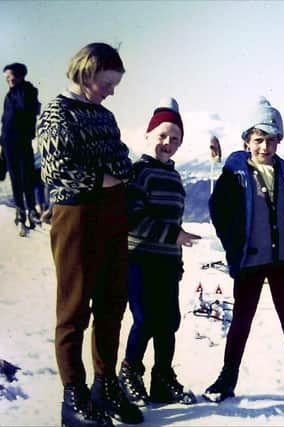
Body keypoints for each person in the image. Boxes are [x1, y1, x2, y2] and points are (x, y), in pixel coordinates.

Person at [36, 42, 142, 427]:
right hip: (76, 216)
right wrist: (105, 177)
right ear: (87, 71)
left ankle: (105, 385)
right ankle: (73, 397)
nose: (112, 90)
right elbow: (55, 171)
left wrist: (110, 173)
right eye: (108, 82)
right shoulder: (56, 113)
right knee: (75, 307)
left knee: (113, 303)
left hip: (112, 215)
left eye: (115, 84)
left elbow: (122, 159)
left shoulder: (106, 117)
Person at [205, 96, 284, 405]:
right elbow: (218, 211)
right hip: (251, 258)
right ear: (247, 140)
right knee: (241, 319)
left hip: (283, 259)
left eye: (271, 140)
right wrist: (233, 246)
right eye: (258, 140)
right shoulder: (234, 174)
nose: (265, 147)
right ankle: (227, 377)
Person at [118, 99, 201, 407]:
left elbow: (173, 221)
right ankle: (130, 374)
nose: (168, 143)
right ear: (149, 134)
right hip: (139, 260)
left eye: (175, 138)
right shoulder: (139, 173)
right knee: (145, 319)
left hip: (166, 263)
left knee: (169, 321)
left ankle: (163, 378)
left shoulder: (174, 177)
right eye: (163, 135)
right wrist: (174, 236)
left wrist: (176, 258)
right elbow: (133, 218)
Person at [1, 62, 40, 236]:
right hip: (8, 141)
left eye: (10, 76)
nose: (8, 80)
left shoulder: (28, 91)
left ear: (20, 76)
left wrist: (20, 88)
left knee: (26, 175)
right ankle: (20, 210)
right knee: (15, 176)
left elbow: (26, 108)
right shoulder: (9, 96)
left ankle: (31, 210)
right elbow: (5, 121)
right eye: (6, 77)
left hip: (22, 140)